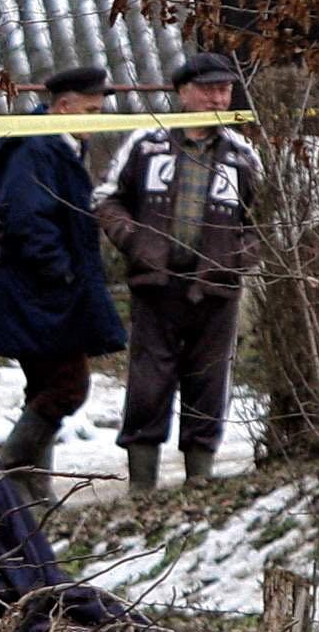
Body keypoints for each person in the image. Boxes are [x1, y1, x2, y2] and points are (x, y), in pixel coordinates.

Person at [95, 53, 260, 491]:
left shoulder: (242, 154)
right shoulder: (146, 142)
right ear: (182, 92)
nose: (217, 96)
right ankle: (142, 485)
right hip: (156, 286)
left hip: (217, 288)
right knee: (149, 385)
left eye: (224, 88)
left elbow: (264, 221)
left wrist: (236, 258)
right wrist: (136, 242)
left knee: (209, 382)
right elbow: (107, 198)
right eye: (207, 88)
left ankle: (199, 481)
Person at [0, 67, 127, 505]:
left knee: (43, 389)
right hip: (40, 294)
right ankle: (10, 478)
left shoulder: (58, 145)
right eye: (92, 110)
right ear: (64, 106)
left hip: (41, 293)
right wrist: (61, 271)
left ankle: (28, 495)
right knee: (67, 388)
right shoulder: (38, 149)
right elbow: (28, 219)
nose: (98, 119)